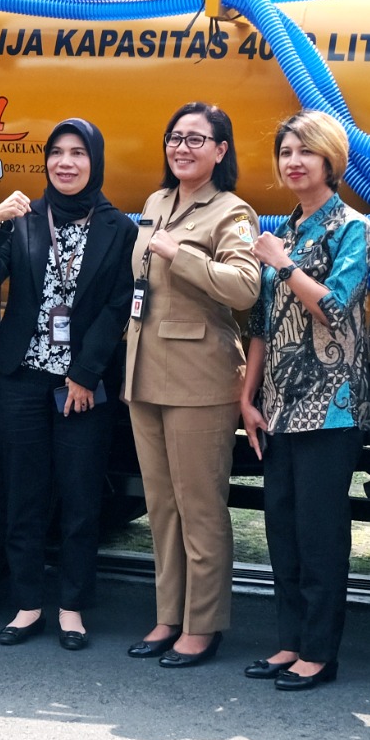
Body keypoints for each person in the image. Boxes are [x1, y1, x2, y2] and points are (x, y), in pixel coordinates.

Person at [0, 118, 136, 652]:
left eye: (78, 153)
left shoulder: (119, 227)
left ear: (95, 162)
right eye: (57, 152)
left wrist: (85, 374)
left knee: (80, 496)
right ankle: (27, 604)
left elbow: (118, 306)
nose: (66, 163)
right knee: (23, 492)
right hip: (20, 376)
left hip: (81, 384)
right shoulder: (24, 216)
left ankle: (71, 607)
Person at [240, 112, 370, 692]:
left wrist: (283, 263)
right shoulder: (285, 230)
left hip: (330, 407)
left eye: (305, 152)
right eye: (286, 152)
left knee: (320, 534)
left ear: (330, 160)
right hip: (278, 405)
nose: (293, 162)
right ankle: (290, 641)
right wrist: (247, 395)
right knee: (283, 531)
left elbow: (335, 309)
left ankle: (319, 652)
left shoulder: (352, 228)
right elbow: (262, 324)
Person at [124, 102, 260, 670]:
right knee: (161, 507)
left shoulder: (232, 211)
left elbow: (246, 287)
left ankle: (202, 625)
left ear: (221, 150)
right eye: (175, 137)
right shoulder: (157, 202)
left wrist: (179, 254)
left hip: (199, 377)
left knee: (199, 507)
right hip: (144, 372)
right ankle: (167, 616)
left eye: (196, 139)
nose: (182, 148)